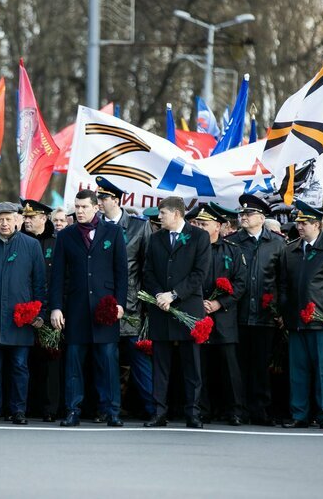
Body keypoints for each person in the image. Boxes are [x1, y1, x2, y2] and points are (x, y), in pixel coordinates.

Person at [50, 189, 128, 427]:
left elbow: (121, 273)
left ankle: (112, 410)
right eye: (77, 206)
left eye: (84, 207)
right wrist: (56, 307)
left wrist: (120, 304)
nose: (80, 211)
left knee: (108, 362)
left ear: (96, 207)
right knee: (74, 363)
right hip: (76, 309)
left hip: (105, 309)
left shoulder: (113, 233)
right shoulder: (66, 236)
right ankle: (73, 410)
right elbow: (57, 276)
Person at [0, 203, 46, 425]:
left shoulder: (31, 245)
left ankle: (18, 410)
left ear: (18, 220)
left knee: (19, 367)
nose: (3, 224)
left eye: (8, 219)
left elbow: (39, 282)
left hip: (20, 319)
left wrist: (37, 310)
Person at [142, 196, 210, 429]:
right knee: (160, 364)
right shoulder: (155, 238)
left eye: (163, 213)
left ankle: (193, 412)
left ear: (177, 214)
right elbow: (148, 271)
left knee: (192, 364)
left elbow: (199, 274)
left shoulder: (199, 237)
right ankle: (159, 412)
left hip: (187, 309)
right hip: (161, 308)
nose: (159, 217)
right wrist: (159, 295)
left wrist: (174, 294)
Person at [280, 200, 323, 429]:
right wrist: (284, 312)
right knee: (297, 370)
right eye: (298, 223)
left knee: (322, 370)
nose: (300, 227)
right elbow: (284, 285)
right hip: (296, 320)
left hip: (321, 320)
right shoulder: (290, 249)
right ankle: (299, 414)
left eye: (305, 223)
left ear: (318, 225)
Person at [95, 176, 155, 420]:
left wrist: (146, 304)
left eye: (104, 198)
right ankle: (109, 409)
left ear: (116, 200)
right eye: (98, 197)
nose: (99, 202)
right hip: (102, 305)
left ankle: (154, 409)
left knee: (139, 360)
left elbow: (147, 268)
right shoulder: (93, 225)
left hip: (132, 305)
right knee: (106, 360)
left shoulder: (139, 227)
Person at [228, 194, 286, 426]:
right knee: (238, 367)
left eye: (248, 214)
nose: (243, 217)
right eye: (241, 213)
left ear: (261, 218)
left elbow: (282, 280)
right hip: (238, 313)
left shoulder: (277, 243)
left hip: (264, 315)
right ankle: (237, 409)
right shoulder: (233, 241)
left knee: (261, 366)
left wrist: (278, 309)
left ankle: (260, 409)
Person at [193, 204, 247, 425]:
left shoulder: (232, 250)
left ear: (218, 226)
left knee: (229, 367)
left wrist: (218, 303)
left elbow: (240, 283)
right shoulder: (192, 248)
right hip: (198, 314)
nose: (200, 228)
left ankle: (234, 410)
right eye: (197, 224)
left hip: (223, 317)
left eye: (204, 224)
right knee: (201, 367)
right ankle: (204, 409)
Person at [20, 199, 60, 421]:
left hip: (49, 310)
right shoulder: (21, 242)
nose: (26, 220)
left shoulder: (56, 242)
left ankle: (50, 408)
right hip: (25, 311)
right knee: (26, 360)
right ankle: (27, 406)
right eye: (25, 217)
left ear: (44, 218)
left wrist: (53, 310)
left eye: (31, 217)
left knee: (51, 360)